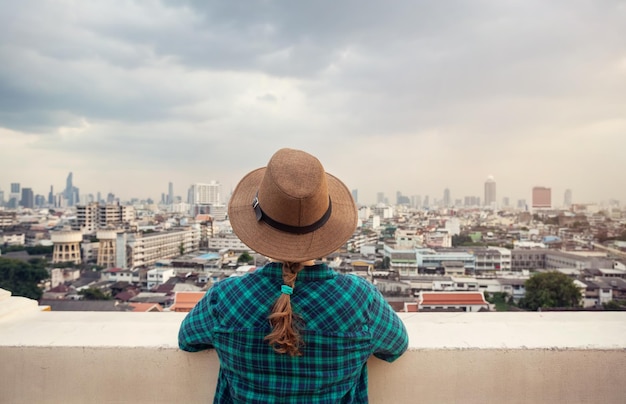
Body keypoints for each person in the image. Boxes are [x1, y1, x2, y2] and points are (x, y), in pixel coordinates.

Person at [178, 148, 408, 403]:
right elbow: (396, 345)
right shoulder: (358, 299)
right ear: (325, 225)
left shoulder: (227, 297)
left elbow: (188, 339)